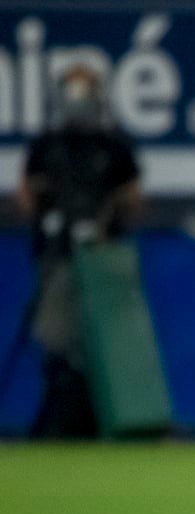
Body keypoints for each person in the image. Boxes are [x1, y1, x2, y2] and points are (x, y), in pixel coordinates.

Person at [14, 66, 142, 436]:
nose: (79, 101)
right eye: (73, 92)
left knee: (104, 345)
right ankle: (61, 415)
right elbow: (25, 195)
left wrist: (105, 215)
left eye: (85, 92)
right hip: (57, 257)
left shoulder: (113, 146)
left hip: (102, 262)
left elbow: (133, 197)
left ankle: (101, 416)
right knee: (55, 338)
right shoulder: (47, 145)